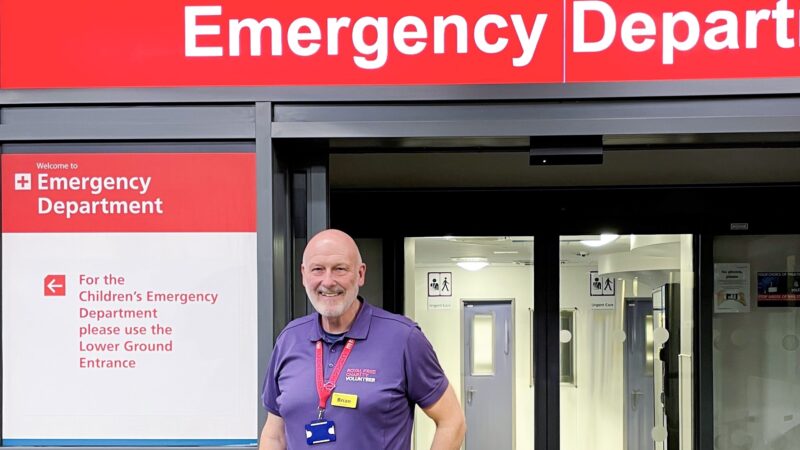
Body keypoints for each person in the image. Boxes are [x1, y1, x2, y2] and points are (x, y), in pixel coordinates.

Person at [259, 229, 466, 449]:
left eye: (340, 269)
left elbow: (452, 421)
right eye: (318, 269)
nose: (328, 281)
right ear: (303, 274)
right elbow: (275, 435)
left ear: (360, 274)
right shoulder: (289, 339)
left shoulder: (404, 338)